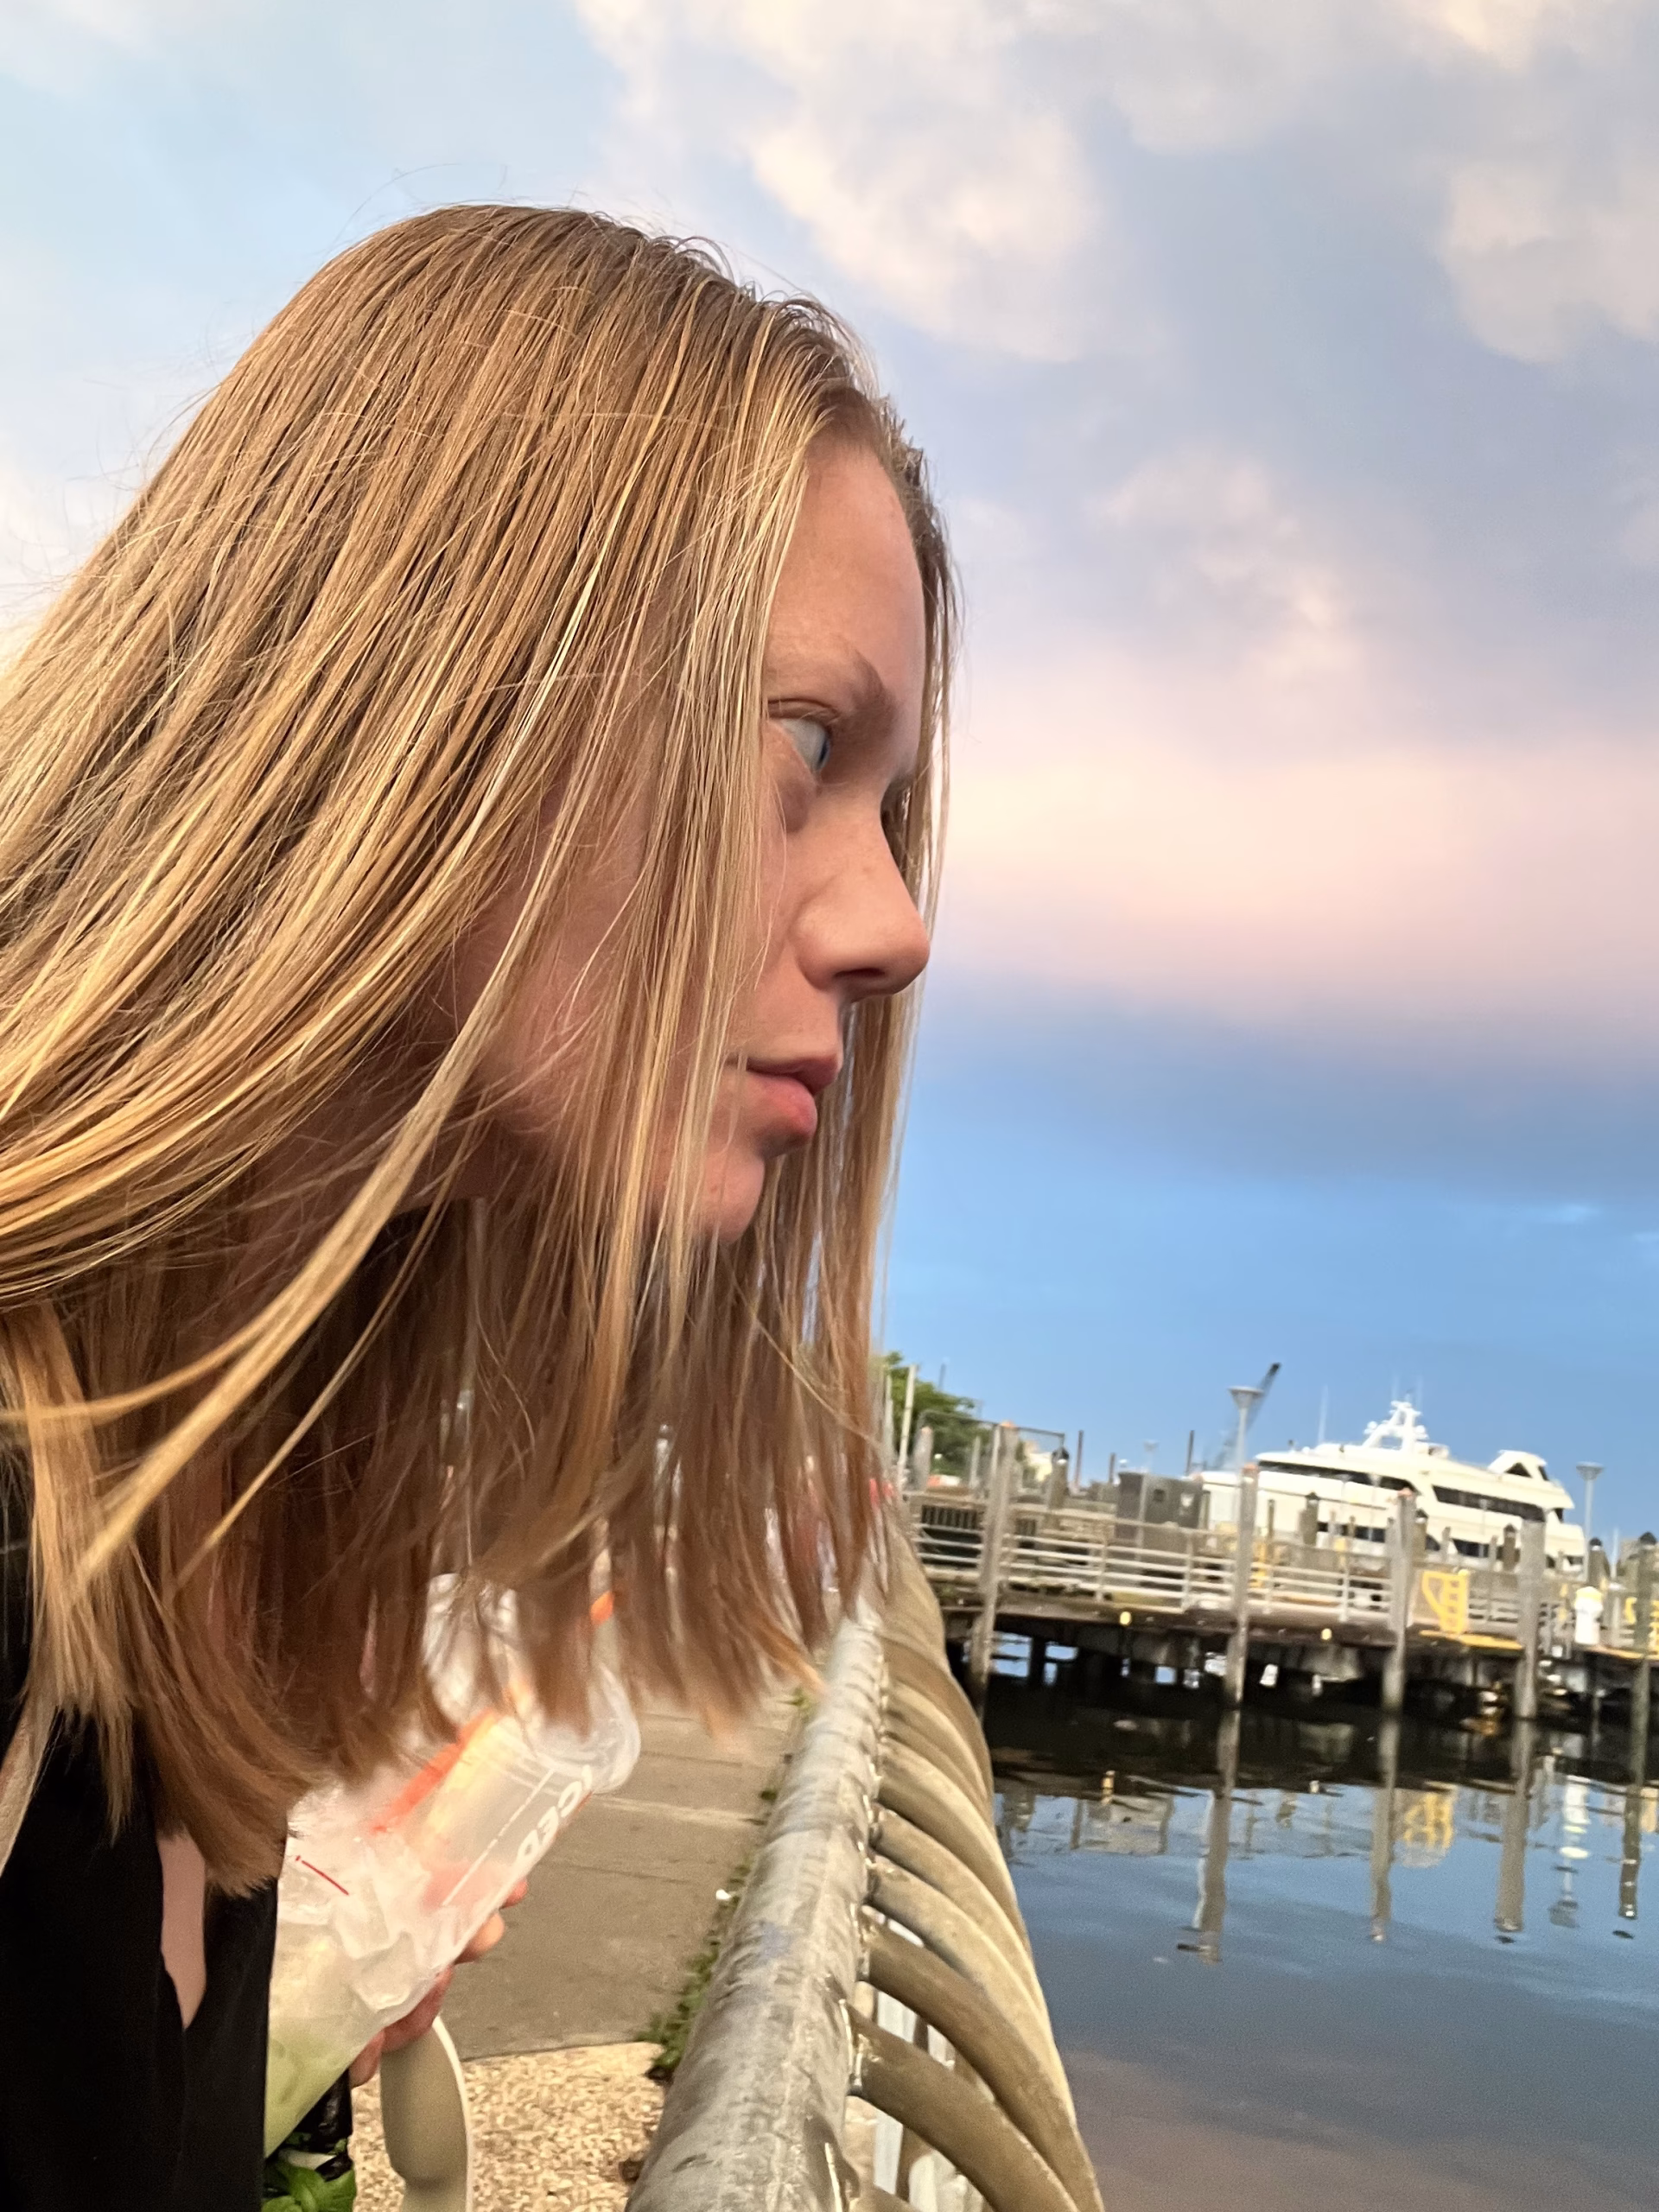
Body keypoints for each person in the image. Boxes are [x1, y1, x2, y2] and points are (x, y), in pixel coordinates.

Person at [0, 203, 950, 2209]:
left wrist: (292, 2054)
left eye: (891, 806)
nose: (895, 921)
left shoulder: (224, 1544)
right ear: (432, 700)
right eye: (805, 740)